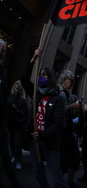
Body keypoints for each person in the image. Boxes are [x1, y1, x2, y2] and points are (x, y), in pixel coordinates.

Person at [21, 48, 68, 188]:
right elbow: (24, 79)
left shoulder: (58, 99)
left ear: (50, 78)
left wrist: (42, 135)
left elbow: (58, 123)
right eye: (40, 75)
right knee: (39, 174)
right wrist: (33, 60)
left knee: (57, 177)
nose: (41, 77)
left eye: (45, 75)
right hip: (34, 143)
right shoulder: (36, 94)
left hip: (49, 143)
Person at [0, 38, 21, 187]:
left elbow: (4, 94)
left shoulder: (3, 71)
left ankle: (14, 183)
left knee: (5, 154)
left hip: (1, 120)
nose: (2, 52)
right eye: (0, 49)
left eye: (4, 50)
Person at [58, 70, 81, 188]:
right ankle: (60, 183)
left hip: (68, 130)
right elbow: (56, 110)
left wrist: (76, 110)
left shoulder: (69, 95)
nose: (72, 83)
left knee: (75, 156)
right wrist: (70, 107)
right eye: (71, 80)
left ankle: (69, 182)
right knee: (62, 160)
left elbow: (71, 116)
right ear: (64, 80)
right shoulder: (57, 92)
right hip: (59, 131)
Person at [8, 80, 28, 170]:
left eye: (18, 89)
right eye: (15, 88)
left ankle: (18, 160)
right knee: (11, 142)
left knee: (17, 144)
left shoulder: (23, 101)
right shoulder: (10, 97)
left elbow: (24, 114)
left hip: (18, 125)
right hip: (10, 123)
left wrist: (15, 108)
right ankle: (13, 156)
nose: (16, 90)